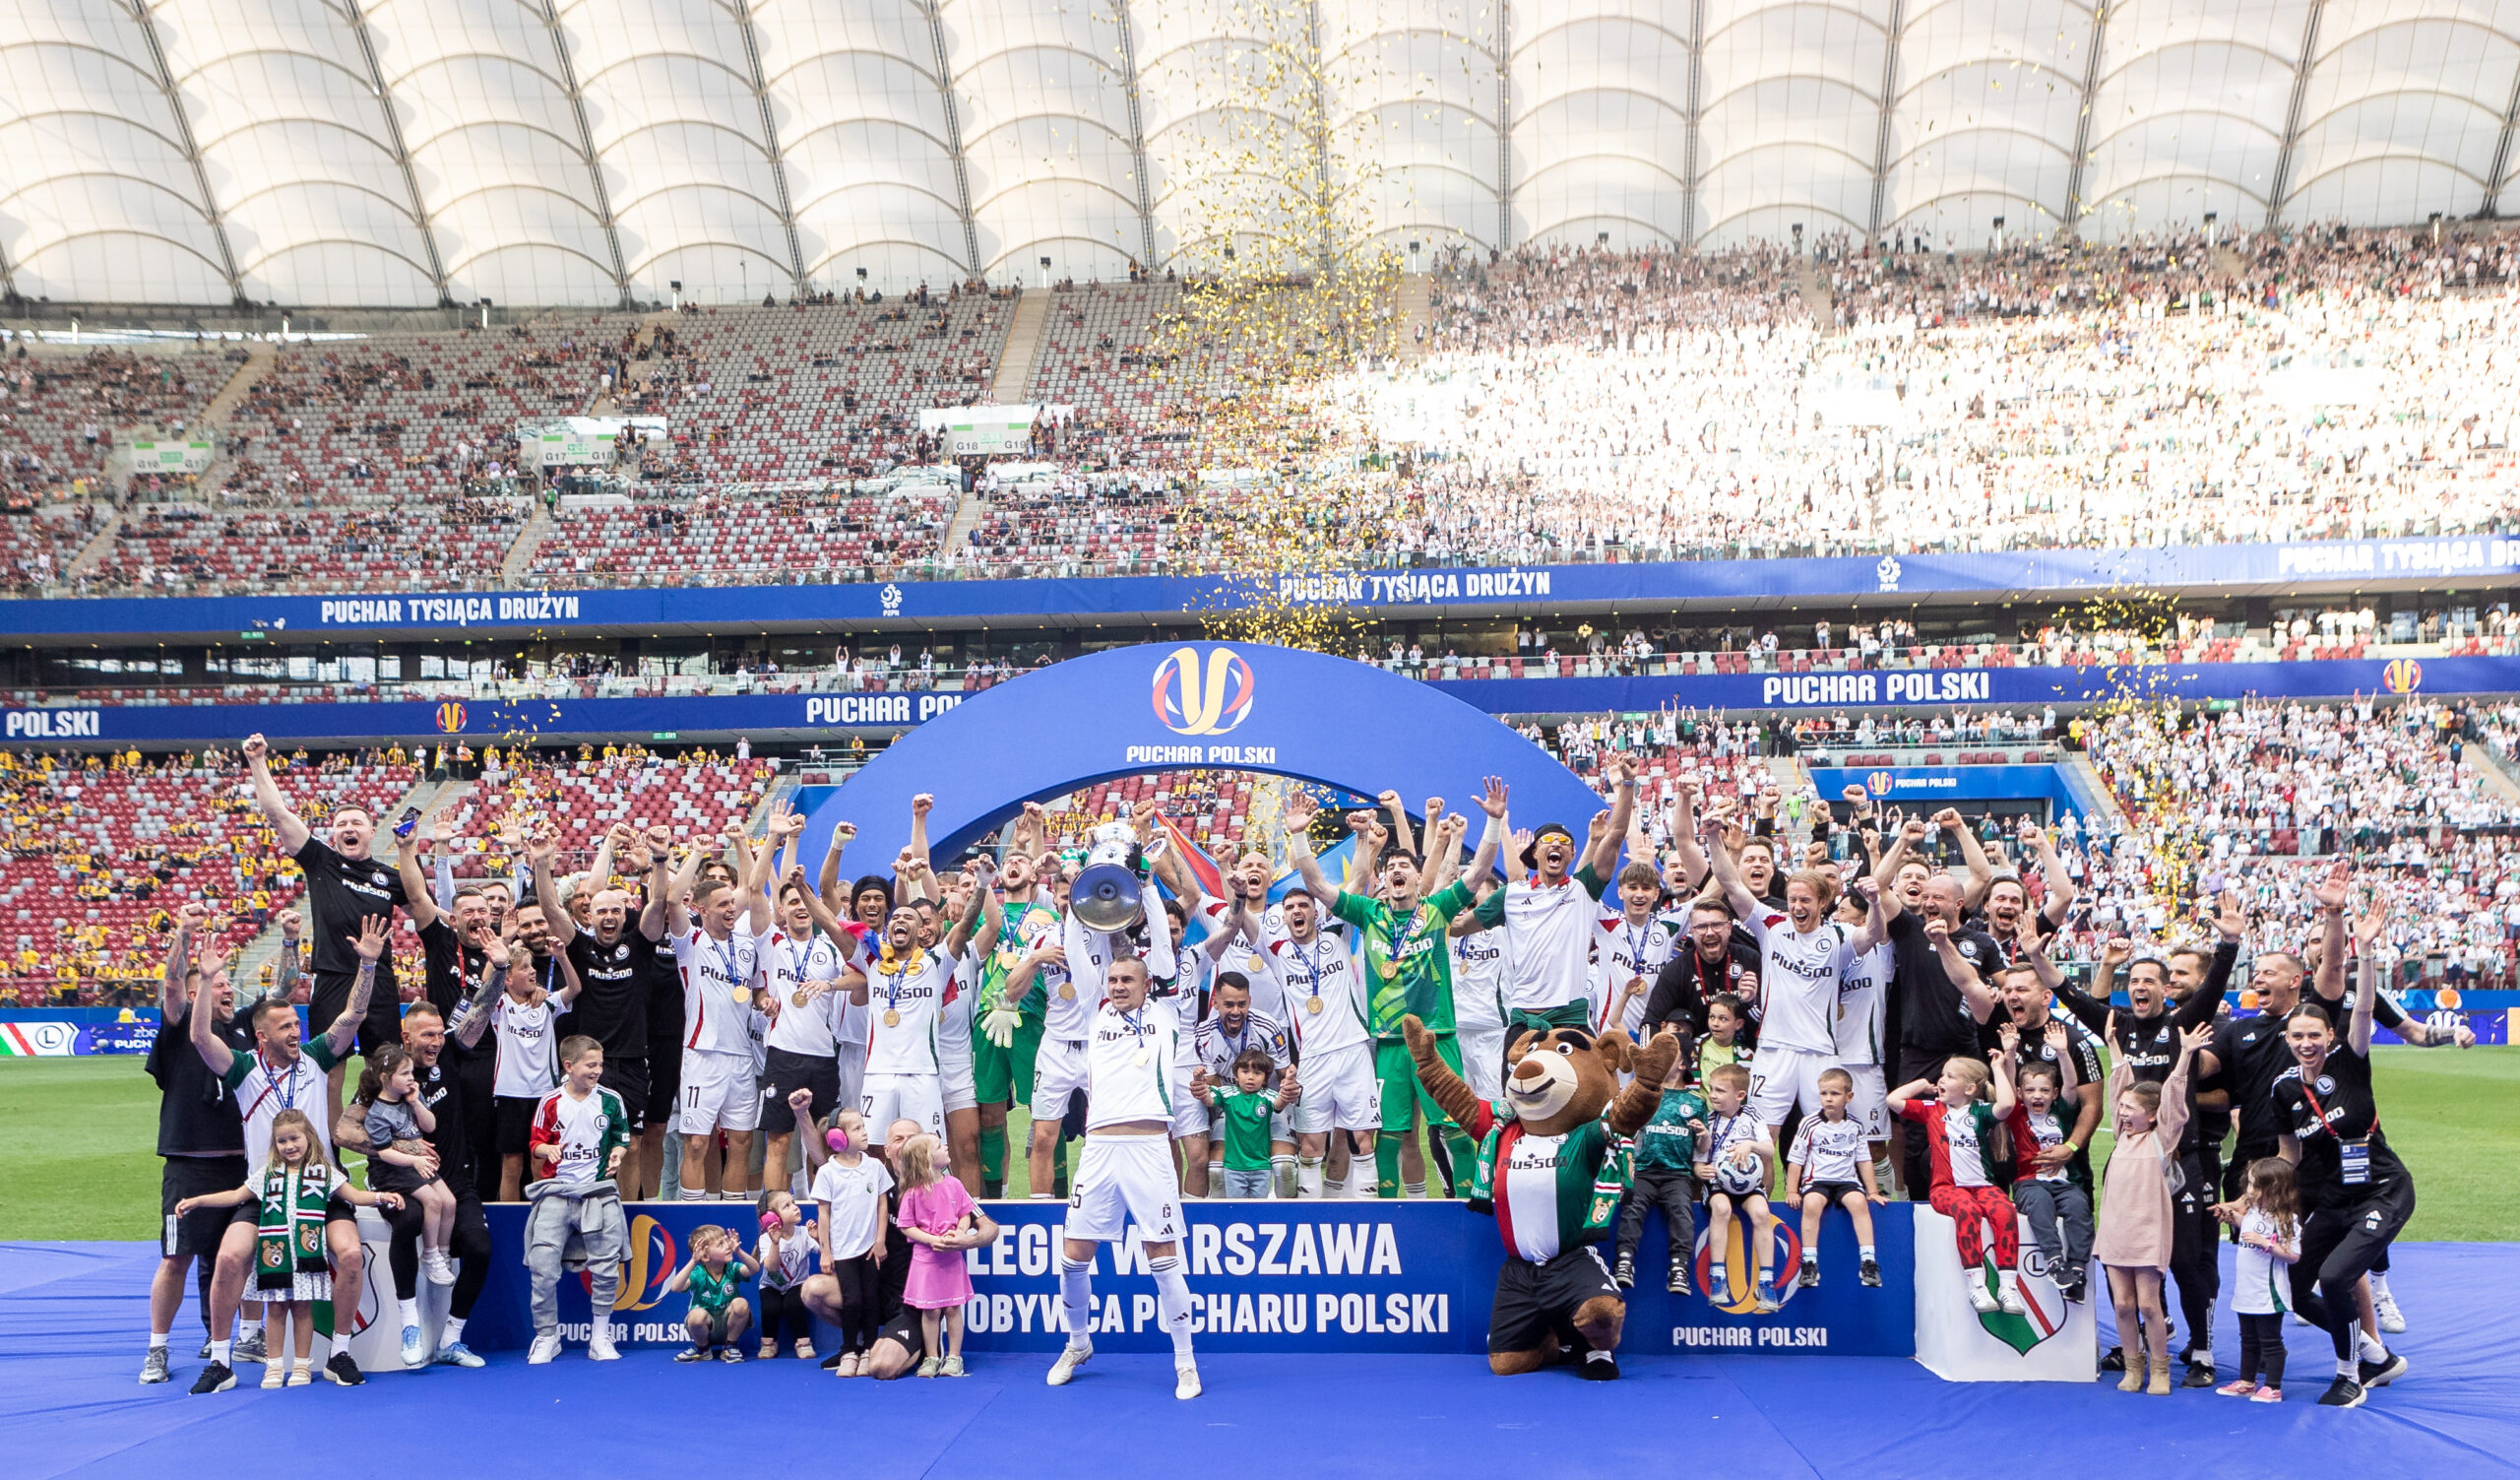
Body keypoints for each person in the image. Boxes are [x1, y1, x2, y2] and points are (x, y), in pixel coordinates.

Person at [186, 913, 384, 1394]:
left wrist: (368, 966)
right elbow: (199, 1038)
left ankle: (339, 1353)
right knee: (230, 1258)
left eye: (297, 1023)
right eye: (286, 1026)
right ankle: (221, 1360)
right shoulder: (243, 1069)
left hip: (321, 1187)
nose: (296, 1031)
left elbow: (352, 1017)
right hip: (267, 1192)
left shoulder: (316, 1056)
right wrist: (208, 979)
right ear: (263, 1036)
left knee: (350, 1255)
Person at [1286, 783, 1501, 1197]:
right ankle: (1389, 1211)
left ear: (1418, 877)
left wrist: (1492, 822)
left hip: (1437, 1038)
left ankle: (1467, 1207)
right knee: (1388, 1137)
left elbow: (1477, 874)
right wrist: (1298, 834)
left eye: (1405, 865)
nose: (1397, 870)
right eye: (1391, 867)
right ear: (1384, 878)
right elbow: (1317, 886)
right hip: (1389, 1042)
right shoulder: (1368, 912)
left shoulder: (1437, 909)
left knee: (1455, 1129)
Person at [2270, 906, 2414, 1408]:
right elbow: (2288, 1155)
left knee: (2335, 1277)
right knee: (2292, 1285)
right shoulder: (2285, 1090)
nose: (2306, 1043)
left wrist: (2365, 951)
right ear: (2287, 1041)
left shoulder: (2350, 1063)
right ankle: (2377, 1356)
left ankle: (2349, 1374)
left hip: (2383, 1190)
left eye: (2315, 1035)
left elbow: (2364, 1009)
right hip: (2335, 1197)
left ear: (2330, 1036)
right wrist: (2256, 1197)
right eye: (2297, 1037)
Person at [1046, 955, 1202, 1400]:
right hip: (1099, 1149)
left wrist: (1145, 901)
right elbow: (1079, 941)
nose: (1117, 986)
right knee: (1072, 1258)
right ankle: (1078, 1343)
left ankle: (1186, 1363)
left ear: (1147, 983)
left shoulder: (1166, 1012)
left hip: (1149, 1149)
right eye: (1112, 979)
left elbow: (1164, 951)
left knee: (1163, 1258)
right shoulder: (1093, 1012)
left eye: (1127, 979)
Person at [241, 732, 406, 1135]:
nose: (349, 828)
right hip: (332, 977)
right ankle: (331, 1149)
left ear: (371, 831)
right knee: (329, 1070)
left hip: (380, 979)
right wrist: (258, 761)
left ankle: (383, 1142)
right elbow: (278, 814)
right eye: (341, 824)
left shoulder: (390, 877)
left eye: (357, 823)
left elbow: (424, 908)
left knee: (386, 1070)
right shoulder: (322, 861)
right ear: (332, 834)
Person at [171, 1109, 402, 1392]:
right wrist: (197, 1201)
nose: (289, 1146)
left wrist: (382, 1196)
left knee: (303, 1308)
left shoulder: (324, 1172)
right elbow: (236, 1196)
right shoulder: (268, 1173)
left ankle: (303, 1364)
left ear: (309, 1138)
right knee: (275, 1308)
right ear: (274, 1144)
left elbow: (354, 1196)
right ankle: (274, 1366)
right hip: (276, 1258)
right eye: (282, 1141)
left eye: (294, 1139)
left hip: (305, 1257)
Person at [144, 903, 257, 1385]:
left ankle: (228, 1338)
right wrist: (184, 934)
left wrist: (291, 943)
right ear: (196, 995)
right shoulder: (179, 1029)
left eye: (229, 983)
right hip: (189, 1163)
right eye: (217, 984)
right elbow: (172, 988)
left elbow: (285, 991)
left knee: (234, 1256)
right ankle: (157, 1348)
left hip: (240, 1163)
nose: (227, 989)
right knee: (177, 1258)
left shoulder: (239, 1032)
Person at [1467, 759, 1635, 1041]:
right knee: (1512, 1074)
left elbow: (1616, 836)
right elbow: (1459, 927)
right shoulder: (1511, 895)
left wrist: (1627, 785)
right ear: (1534, 853)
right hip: (1524, 1019)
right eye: (1547, 840)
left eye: (1564, 842)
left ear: (1572, 855)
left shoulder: (1582, 890)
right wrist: (1429, 917)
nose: (1556, 844)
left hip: (1571, 1018)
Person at [540, 824, 659, 1197]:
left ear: (625, 915)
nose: (609, 916)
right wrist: (542, 864)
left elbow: (657, 905)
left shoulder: (639, 945)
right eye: (601, 910)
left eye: (616, 910)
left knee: (632, 1144)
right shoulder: (579, 946)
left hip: (634, 1059)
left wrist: (657, 861)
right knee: (588, 1140)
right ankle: (590, 1202)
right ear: (589, 917)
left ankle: (624, 1210)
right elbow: (550, 908)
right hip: (592, 1062)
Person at [651, 825, 767, 1199]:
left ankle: (732, 1212)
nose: (731, 909)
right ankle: (694, 1212)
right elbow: (672, 900)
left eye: (732, 904)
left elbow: (756, 991)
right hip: (702, 1054)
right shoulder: (691, 941)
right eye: (722, 905)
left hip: (742, 1056)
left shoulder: (747, 946)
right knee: (697, 1143)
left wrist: (763, 1001)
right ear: (701, 910)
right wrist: (697, 853)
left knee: (742, 1142)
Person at [2092, 1021, 2208, 1395]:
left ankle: (2160, 1368)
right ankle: (2133, 1364)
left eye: (2131, 1109)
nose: (2123, 1113)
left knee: (2148, 1305)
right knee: (2123, 1306)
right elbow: (2118, 1083)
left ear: (2154, 1115)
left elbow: (2174, 1097)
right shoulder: (2122, 1137)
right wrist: (2112, 1044)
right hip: (2115, 1231)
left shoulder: (2162, 1141)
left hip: (2147, 1232)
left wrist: (2185, 1055)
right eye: (2122, 1108)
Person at [523, 1034, 633, 1365]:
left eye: (600, 1064)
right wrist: (547, 1149)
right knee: (542, 1266)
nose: (598, 1070)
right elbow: (535, 1144)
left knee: (607, 1267)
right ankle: (547, 1336)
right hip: (556, 1191)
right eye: (591, 1065)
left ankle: (600, 1336)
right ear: (569, 1066)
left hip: (598, 1191)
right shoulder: (550, 1102)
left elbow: (621, 1138)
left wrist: (618, 1153)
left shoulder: (611, 1100)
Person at [395, 1000, 494, 1366]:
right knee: (406, 1224)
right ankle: (409, 1325)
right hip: (409, 1182)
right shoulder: (387, 1070)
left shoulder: (449, 1053)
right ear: (406, 1037)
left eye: (439, 1033)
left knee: (480, 1249)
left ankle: (451, 1339)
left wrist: (499, 973)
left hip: (455, 1180)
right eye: (427, 1035)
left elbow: (481, 1011)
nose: (436, 1041)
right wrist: (404, 1147)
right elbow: (351, 1130)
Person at [1888, 1053, 2022, 1317]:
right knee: (1967, 1211)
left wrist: (1997, 1067)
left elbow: (2007, 1104)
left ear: (1970, 1088)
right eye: (1942, 1075)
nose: (1942, 1080)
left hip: (1983, 1186)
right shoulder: (1932, 1110)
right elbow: (1893, 1100)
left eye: (1950, 1076)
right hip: (1945, 1189)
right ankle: (1977, 1285)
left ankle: (2008, 1286)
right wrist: (1921, 1085)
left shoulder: (1981, 1111)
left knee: (2005, 1212)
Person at [354, 1046, 457, 1361]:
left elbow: (430, 1126)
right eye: (405, 1074)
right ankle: (430, 1255)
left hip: (416, 1166)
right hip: (394, 1173)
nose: (412, 1078)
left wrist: (415, 1102)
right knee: (432, 1202)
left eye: (412, 1072)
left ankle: (441, 1253)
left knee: (449, 1201)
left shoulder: (410, 1099)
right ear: (386, 1078)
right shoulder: (377, 1112)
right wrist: (413, 1161)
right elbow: (383, 1152)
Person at [801, 1105, 891, 1375]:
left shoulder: (875, 1166)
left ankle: (869, 1350)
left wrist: (880, 1240)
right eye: (857, 1128)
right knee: (852, 1301)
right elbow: (824, 1214)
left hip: (870, 1249)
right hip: (842, 1252)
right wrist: (826, 1251)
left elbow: (882, 1205)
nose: (865, 1133)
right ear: (837, 1137)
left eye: (863, 1126)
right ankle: (850, 1350)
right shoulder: (828, 1172)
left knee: (870, 1300)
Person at [2003, 1039, 2094, 1304]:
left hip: (2063, 1184)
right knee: (2040, 1203)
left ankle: (2077, 1270)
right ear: (2020, 1093)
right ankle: (2055, 1262)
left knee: (2079, 1206)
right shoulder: (2017, 1113)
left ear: (2054, 1093)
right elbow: (2007, 1086)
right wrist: (2010, 1053)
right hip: (2029, 1183)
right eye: (2030, 1090)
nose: (2037, 1096)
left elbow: (2072, 1086)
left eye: (2044, 1090)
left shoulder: (2061, 1111)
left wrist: (2063, 1053)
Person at [1614, 1036, 1705, 1294]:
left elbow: (1701, 1148)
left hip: (1677, 1174)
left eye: (1668, 1053)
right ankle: (1624, 1261)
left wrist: (1703, 1135)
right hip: (1642, 1171)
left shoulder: (1695, 1101)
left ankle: (1679, 1268)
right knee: (1632, 1209)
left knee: (1682, 1213)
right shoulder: (1642, 1093)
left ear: (1682, 1064)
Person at [1783, 1065, 1887, 1288]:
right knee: (1812, 1204)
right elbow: (1796, 1160)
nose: (1828, 1098)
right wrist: (1792, 1190)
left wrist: (1873, 1191)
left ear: (1849, 1096)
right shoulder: (1809, 1123)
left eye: (1835, 1093)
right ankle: (1809, 1265)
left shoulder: (1856, 1125)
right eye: (1824, 1093)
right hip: (1816, 1181)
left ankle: (1868, 1262)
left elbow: (1864, 1160)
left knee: (1859, 1203)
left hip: (1846, 1181)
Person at [2214, 1157, 2302, 1402]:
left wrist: (2267, 1244)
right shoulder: (2253, 1212)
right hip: (2246, 1290)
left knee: (2271, 1341)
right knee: (2248, 1340)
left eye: (2255, 1185)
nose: (2249, 1190)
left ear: (2273, 1189)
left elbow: (2294, 1255)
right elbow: (2249, 1227)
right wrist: (2232, 1217)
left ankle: (2273, 1386)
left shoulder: (2286, 1220)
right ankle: (2246, 1382)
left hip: (2268, 1293)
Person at [1694, 1062, 1778, 1310]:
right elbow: (1699, 1158)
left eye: (1720, 1090)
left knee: (1761, 1213)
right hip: (1718, 1182)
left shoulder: (1752, 1116)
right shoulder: (1708, 1119)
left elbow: (1770, 1150)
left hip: (1749, 1183)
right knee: (1721, 1208)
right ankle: (1718, 1278)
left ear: (1740, 1095)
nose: (1712, 1095)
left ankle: (1766, 1282)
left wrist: (1749, 1145)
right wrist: (1699, 1170)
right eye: (1711, 1089)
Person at [893, 1132, 977, 1377]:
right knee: (930, 1311)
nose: (946, 1147)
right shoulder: (912, 1193)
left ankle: (954, 1357)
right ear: (926, 1159)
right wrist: (931, 1240)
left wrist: (959, 1232)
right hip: (925, 1260)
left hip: (951, 1257)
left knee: (953, 1309)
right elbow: (906, 1226)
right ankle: (931, 1357)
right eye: (940, 1146)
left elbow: (965, 1214)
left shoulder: (955, 1184)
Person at [1192, 1049, 1300, 1197]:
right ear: (1235, 1076)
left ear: (1265, 1079)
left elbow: (1279, 1103)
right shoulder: (1227, 1094)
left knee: (1258, 1208)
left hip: (1261, 1166)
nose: (1251, 1077)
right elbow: (1208, 1099)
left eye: (1257, 1073)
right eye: (1245, 1071)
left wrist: (1288, 1084)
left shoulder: (1267, 1096)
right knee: (1236, 1207)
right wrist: (1198, 1080)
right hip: (1234, 1167)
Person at [667, 1224, 759, 1363]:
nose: (728, 1246)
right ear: (705, 1256)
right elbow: (675, 1287)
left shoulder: (732, 1269)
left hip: (729, 1326)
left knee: (741, 1304)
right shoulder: (698, 1274)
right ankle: (703, 1349)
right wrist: (693, 1261)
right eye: (721, 1244)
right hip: (705, 1328)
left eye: (726, 1241)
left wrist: (738, 1251)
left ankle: (730, 1346)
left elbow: (754, 1269)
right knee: (696, 1315)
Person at [753, 1189, 819, 1360]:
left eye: (793, 1203)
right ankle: (769, 1343)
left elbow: (824, 1252)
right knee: (770, 1307)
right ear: (771, 1218)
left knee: (793, 1304)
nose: (795, 1207)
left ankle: (803, 1342)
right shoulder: (766, 1239)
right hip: (771, 1285)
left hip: (797, 1284)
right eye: (787, 1206)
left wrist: (818, 1238)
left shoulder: (804, 1233)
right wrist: (775, 1243)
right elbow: (772, 1268)